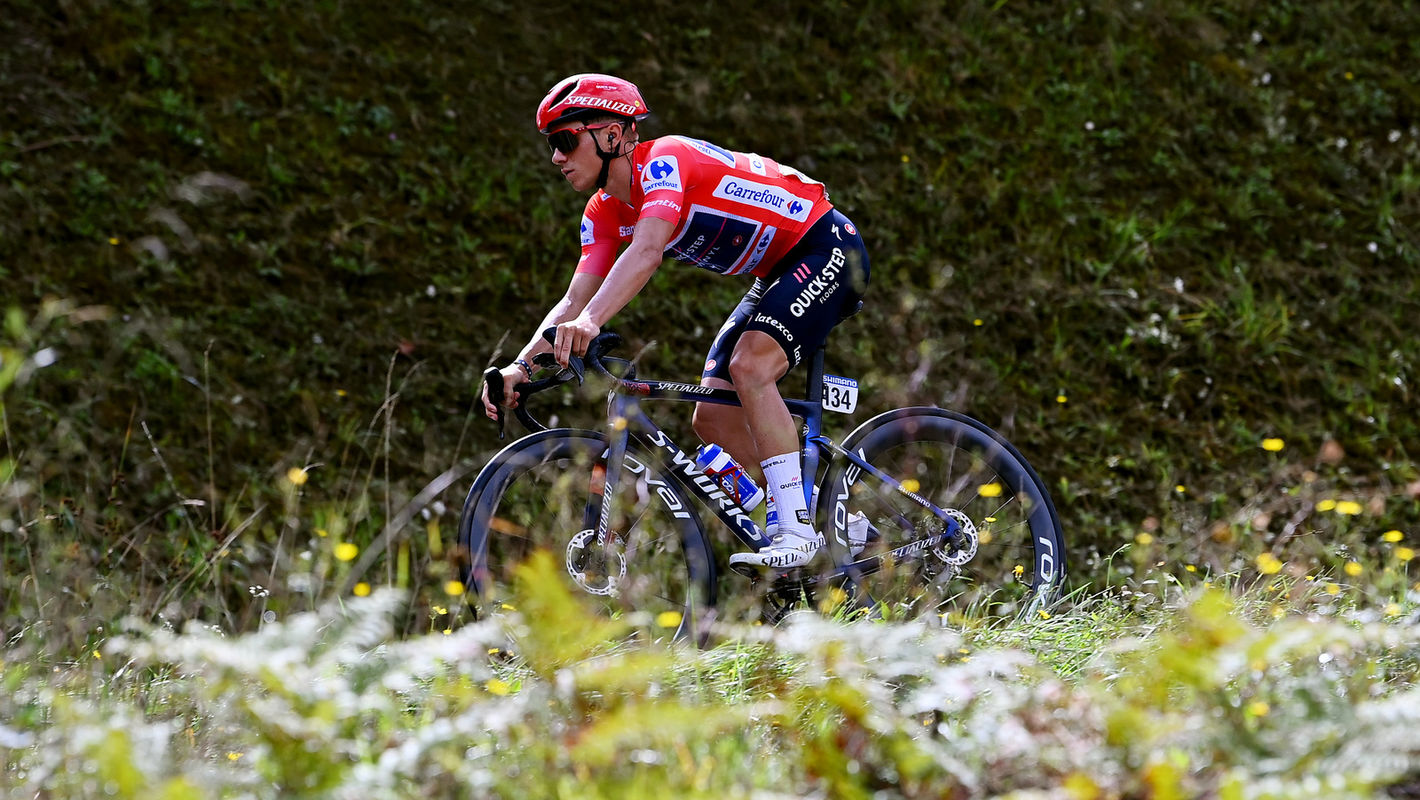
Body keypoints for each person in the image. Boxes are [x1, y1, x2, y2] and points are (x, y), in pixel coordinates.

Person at [481, 73, 869, 570]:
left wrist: (592, 322)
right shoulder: (601, 212)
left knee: (751, 366)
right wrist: (519, 368)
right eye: (551, 145)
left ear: (612, 135)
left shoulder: (665, 161)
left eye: (565, 140)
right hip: (776, 272)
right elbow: (574, 299)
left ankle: (795, 530)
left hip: (826, 246)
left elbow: (646, 252)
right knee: (712, 419)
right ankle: (848, 528)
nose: (556, 157)